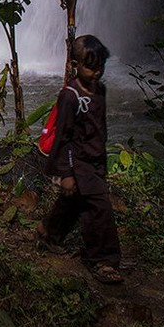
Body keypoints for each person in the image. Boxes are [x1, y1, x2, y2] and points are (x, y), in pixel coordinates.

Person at [37, 34, 123, 284]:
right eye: (90, 66)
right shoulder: (70, 96)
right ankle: (103, 260)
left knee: (73, 203)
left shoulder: (100, 90)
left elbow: (101, 126)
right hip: (79, 162)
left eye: (100, 67)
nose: (96, 72)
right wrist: (66, 173)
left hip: (95, 158)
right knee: (99, 208)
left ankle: (48, 231)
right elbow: (63, 137)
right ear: (75, 65)